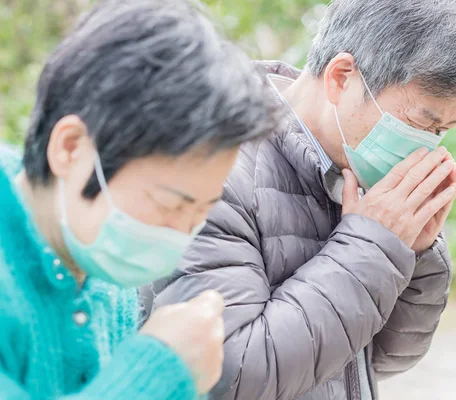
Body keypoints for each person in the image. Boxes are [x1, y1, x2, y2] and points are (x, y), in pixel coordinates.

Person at [143, 0, 456, 399]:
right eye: (420, 123)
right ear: (341, 77)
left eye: (442, 130)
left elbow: (383, 359)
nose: (426, 147)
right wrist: (374, 249)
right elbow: (228, 375)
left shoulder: (361, 170)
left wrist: (412, 253)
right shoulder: (213, 165)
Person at [0, 0, 280, 399]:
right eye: (171, 205)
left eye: (201, 211)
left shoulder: (99, 271)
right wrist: (160, 371)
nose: (179, 238)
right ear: (71, 148)